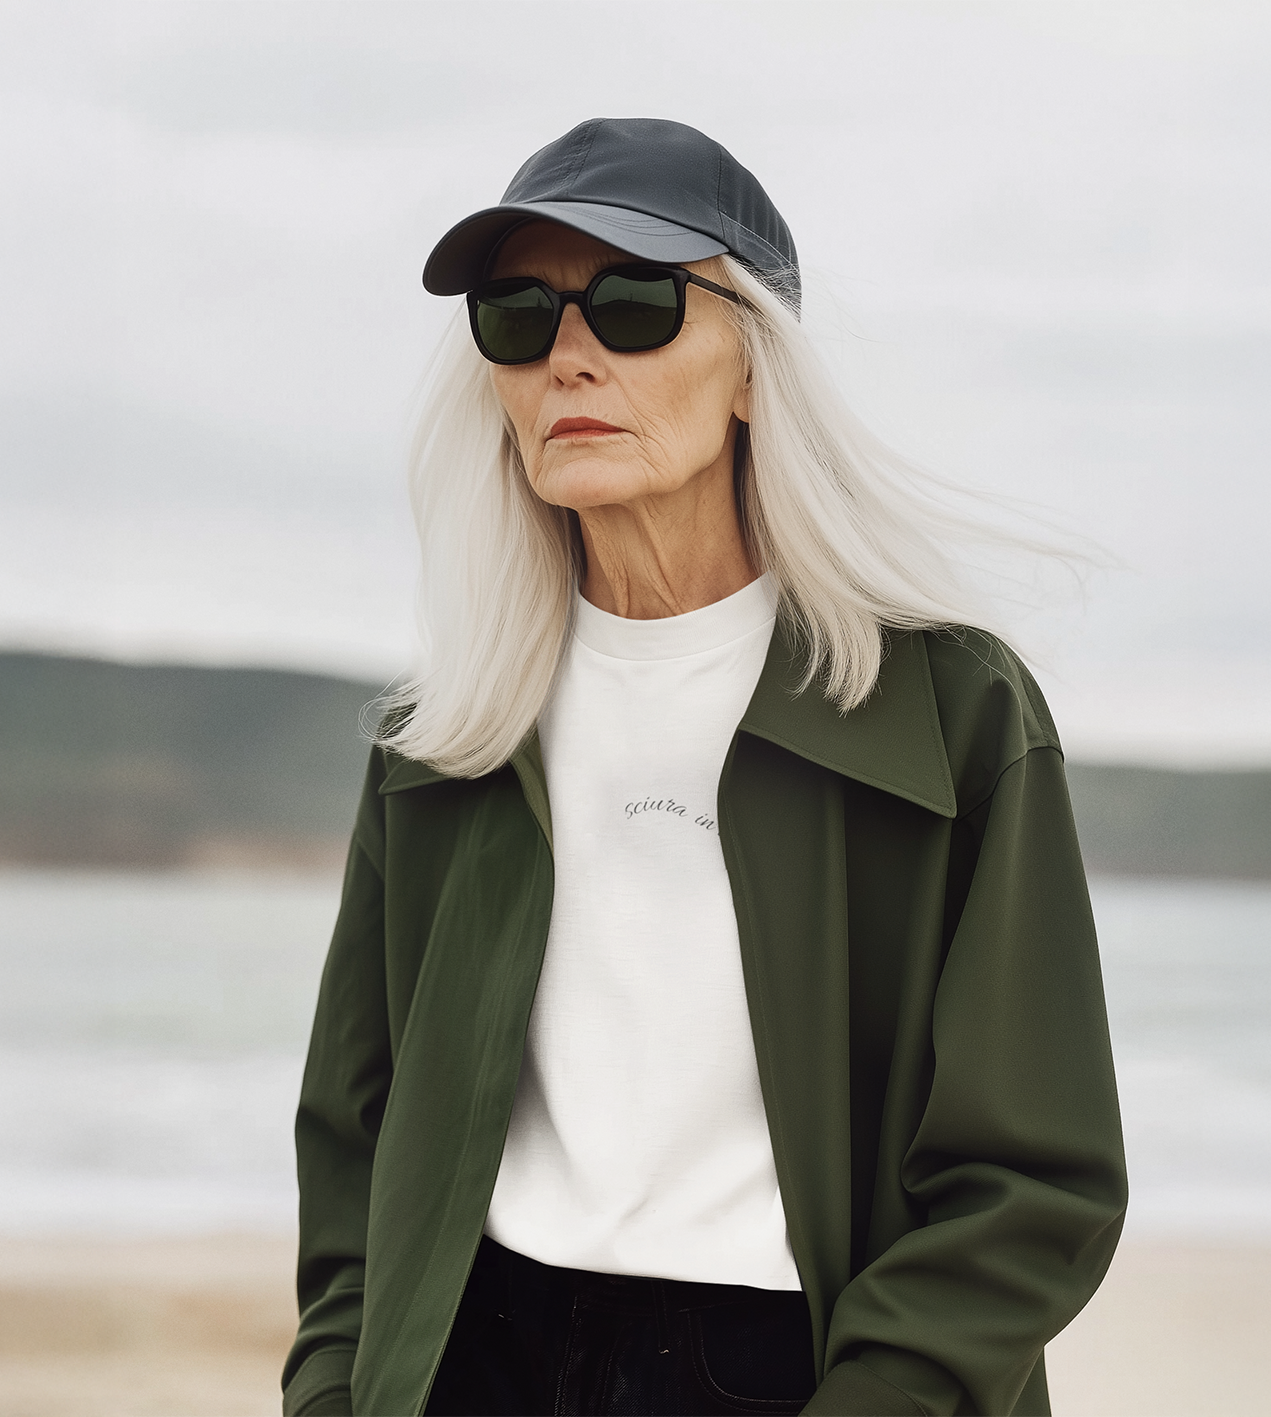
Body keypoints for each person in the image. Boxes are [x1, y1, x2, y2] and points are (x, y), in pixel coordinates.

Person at [281, 118, 1127, 1417]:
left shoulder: (947, 713)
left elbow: (1033, 1182)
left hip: (791, 1364)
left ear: (753, 369)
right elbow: (355, 1136)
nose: (569, 357)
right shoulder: (452, 730)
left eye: (635, 305)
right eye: (517, 316)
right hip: (474, 1354)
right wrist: (336, 1391)